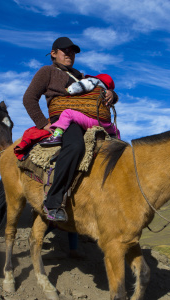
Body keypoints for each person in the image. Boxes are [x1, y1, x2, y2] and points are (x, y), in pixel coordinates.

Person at [23, 37, 118, 222]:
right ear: (53, 53)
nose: (70, 54)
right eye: (65, 51)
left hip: (88, 118)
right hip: (64, 118)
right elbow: (29, 98)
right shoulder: (47, 71)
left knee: (115, 150)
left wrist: (112, 94)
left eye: (72, 52)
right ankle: (53, 202)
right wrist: (43, 123)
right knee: (75, 146)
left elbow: (99, 86)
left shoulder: (81, 76)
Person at [41, 73, 120, 145]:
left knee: (68, 113)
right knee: (116, 130)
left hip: (91, 120)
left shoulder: (94, 81)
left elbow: (83, 86)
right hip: (105, 123)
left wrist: (69, 90)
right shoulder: (107, 92)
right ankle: (118, 145)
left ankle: (57, 135)